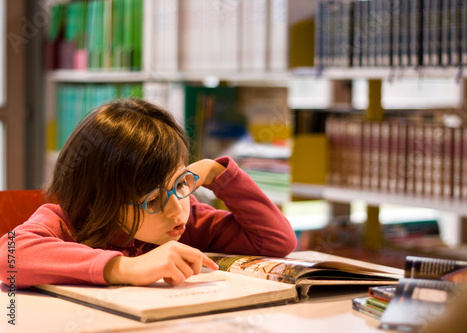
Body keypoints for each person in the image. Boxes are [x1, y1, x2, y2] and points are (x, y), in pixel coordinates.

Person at [0, 98, 297, 289]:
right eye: (152, 200)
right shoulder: (67, 221)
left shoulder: (186, 221)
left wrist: (218, 174)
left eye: (181, 185)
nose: (176, 209)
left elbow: (276, 241)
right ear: (101, 201)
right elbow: (8, 257)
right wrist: (124, 268)